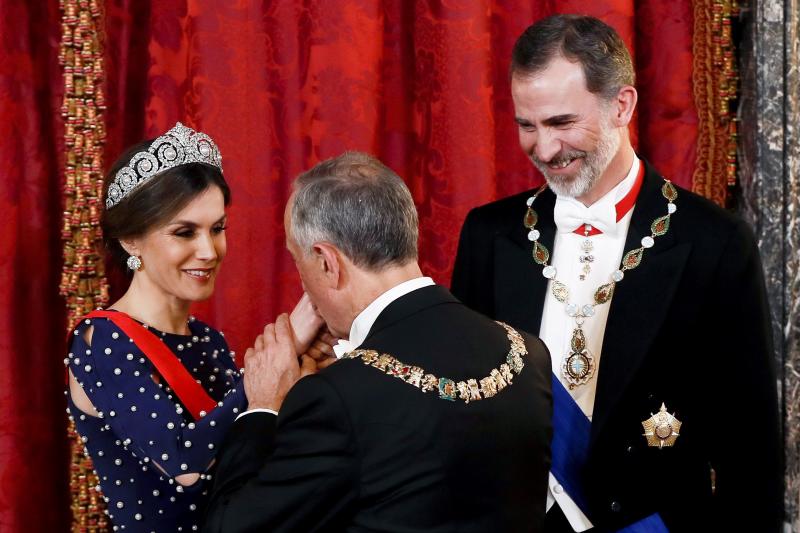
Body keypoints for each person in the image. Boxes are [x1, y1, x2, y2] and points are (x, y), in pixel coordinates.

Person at [451, 14, 783, 533]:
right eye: (526, 125)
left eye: (562, 123)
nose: (544, 149)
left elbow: (751, 450)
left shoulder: (713, 242)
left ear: (621, 105)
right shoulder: (489, 235)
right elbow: (461, 413)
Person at [203, 151, 553, 532]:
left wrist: (263, 408)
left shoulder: (335, 398)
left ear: (326, 262)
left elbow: (230, 527)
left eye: (298, 261)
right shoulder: (528, 353)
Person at [66, 123, 324, 532]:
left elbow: (247, 450)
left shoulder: (207, 340)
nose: (208, 251)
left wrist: (303, 369)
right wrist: (285, 344)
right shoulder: (102, 340)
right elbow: (185, 464)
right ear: (132, 240)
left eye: (217, 228)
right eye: (184, 232)